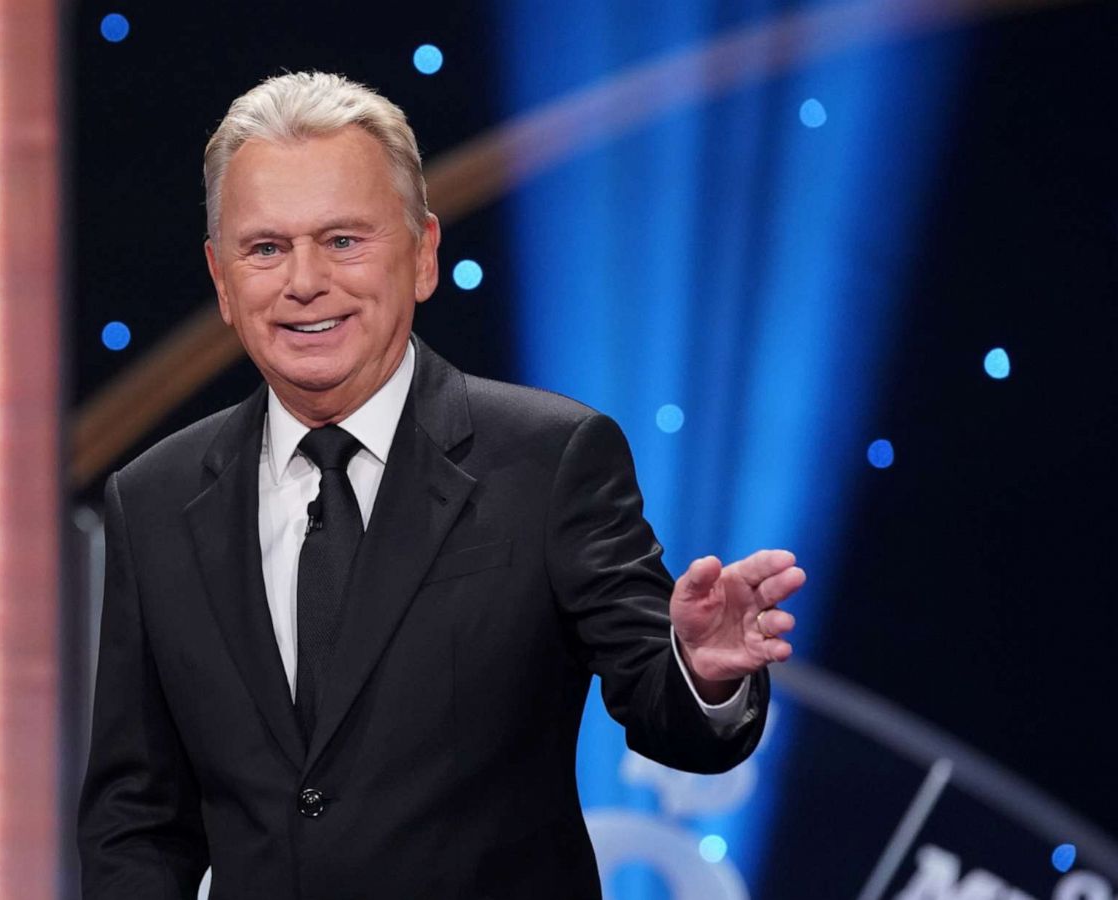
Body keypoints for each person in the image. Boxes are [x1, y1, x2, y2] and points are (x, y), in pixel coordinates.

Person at [78, 71, 805, 899]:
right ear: (220, 277)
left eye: (344, 240)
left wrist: (701, 671)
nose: (304, 281)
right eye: (266, 247)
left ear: (423, 255)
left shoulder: (552, 459)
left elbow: (666, 712)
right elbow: (136, 818)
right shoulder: (155, 500)